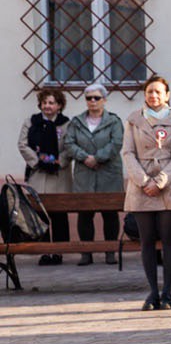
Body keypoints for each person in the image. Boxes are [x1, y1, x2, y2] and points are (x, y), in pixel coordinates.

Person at [122, 75, 171, 309]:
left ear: (167, 95)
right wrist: (143, 181)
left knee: (169, 238)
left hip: (168, 185)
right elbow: (127, 152)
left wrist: (159, 182)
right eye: (150, 91)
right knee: (147, 240)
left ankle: (168, 292)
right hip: (141, 186)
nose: (154, 95)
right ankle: (152, 292)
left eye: (158, 91)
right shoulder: (133, 120)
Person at [61, 83, 123, 260]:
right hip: (84, 173)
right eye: (89, 98)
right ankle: (86, 253)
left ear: (104, 100)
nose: (93, 101)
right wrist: (84, 157)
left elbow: (116, 143)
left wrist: (97, 158)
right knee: (85, 213)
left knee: (109, 214)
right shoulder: (76, 122)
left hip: (108, 173)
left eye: (97, 98)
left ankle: (110, 252)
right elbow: (69, 143)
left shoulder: (114, 121)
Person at [18, 87, 68, 263]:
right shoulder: (31, 122)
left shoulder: (66, 124)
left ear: (59, 105)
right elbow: (22, 144)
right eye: (44, 102)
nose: (47, 106)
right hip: (38, 174)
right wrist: (38, 161)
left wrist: (59, 161)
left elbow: (70, 147)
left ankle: (60, 252)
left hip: (59, 176)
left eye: (51, 103)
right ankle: (44, 252)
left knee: (59, 216)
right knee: (41, 215)